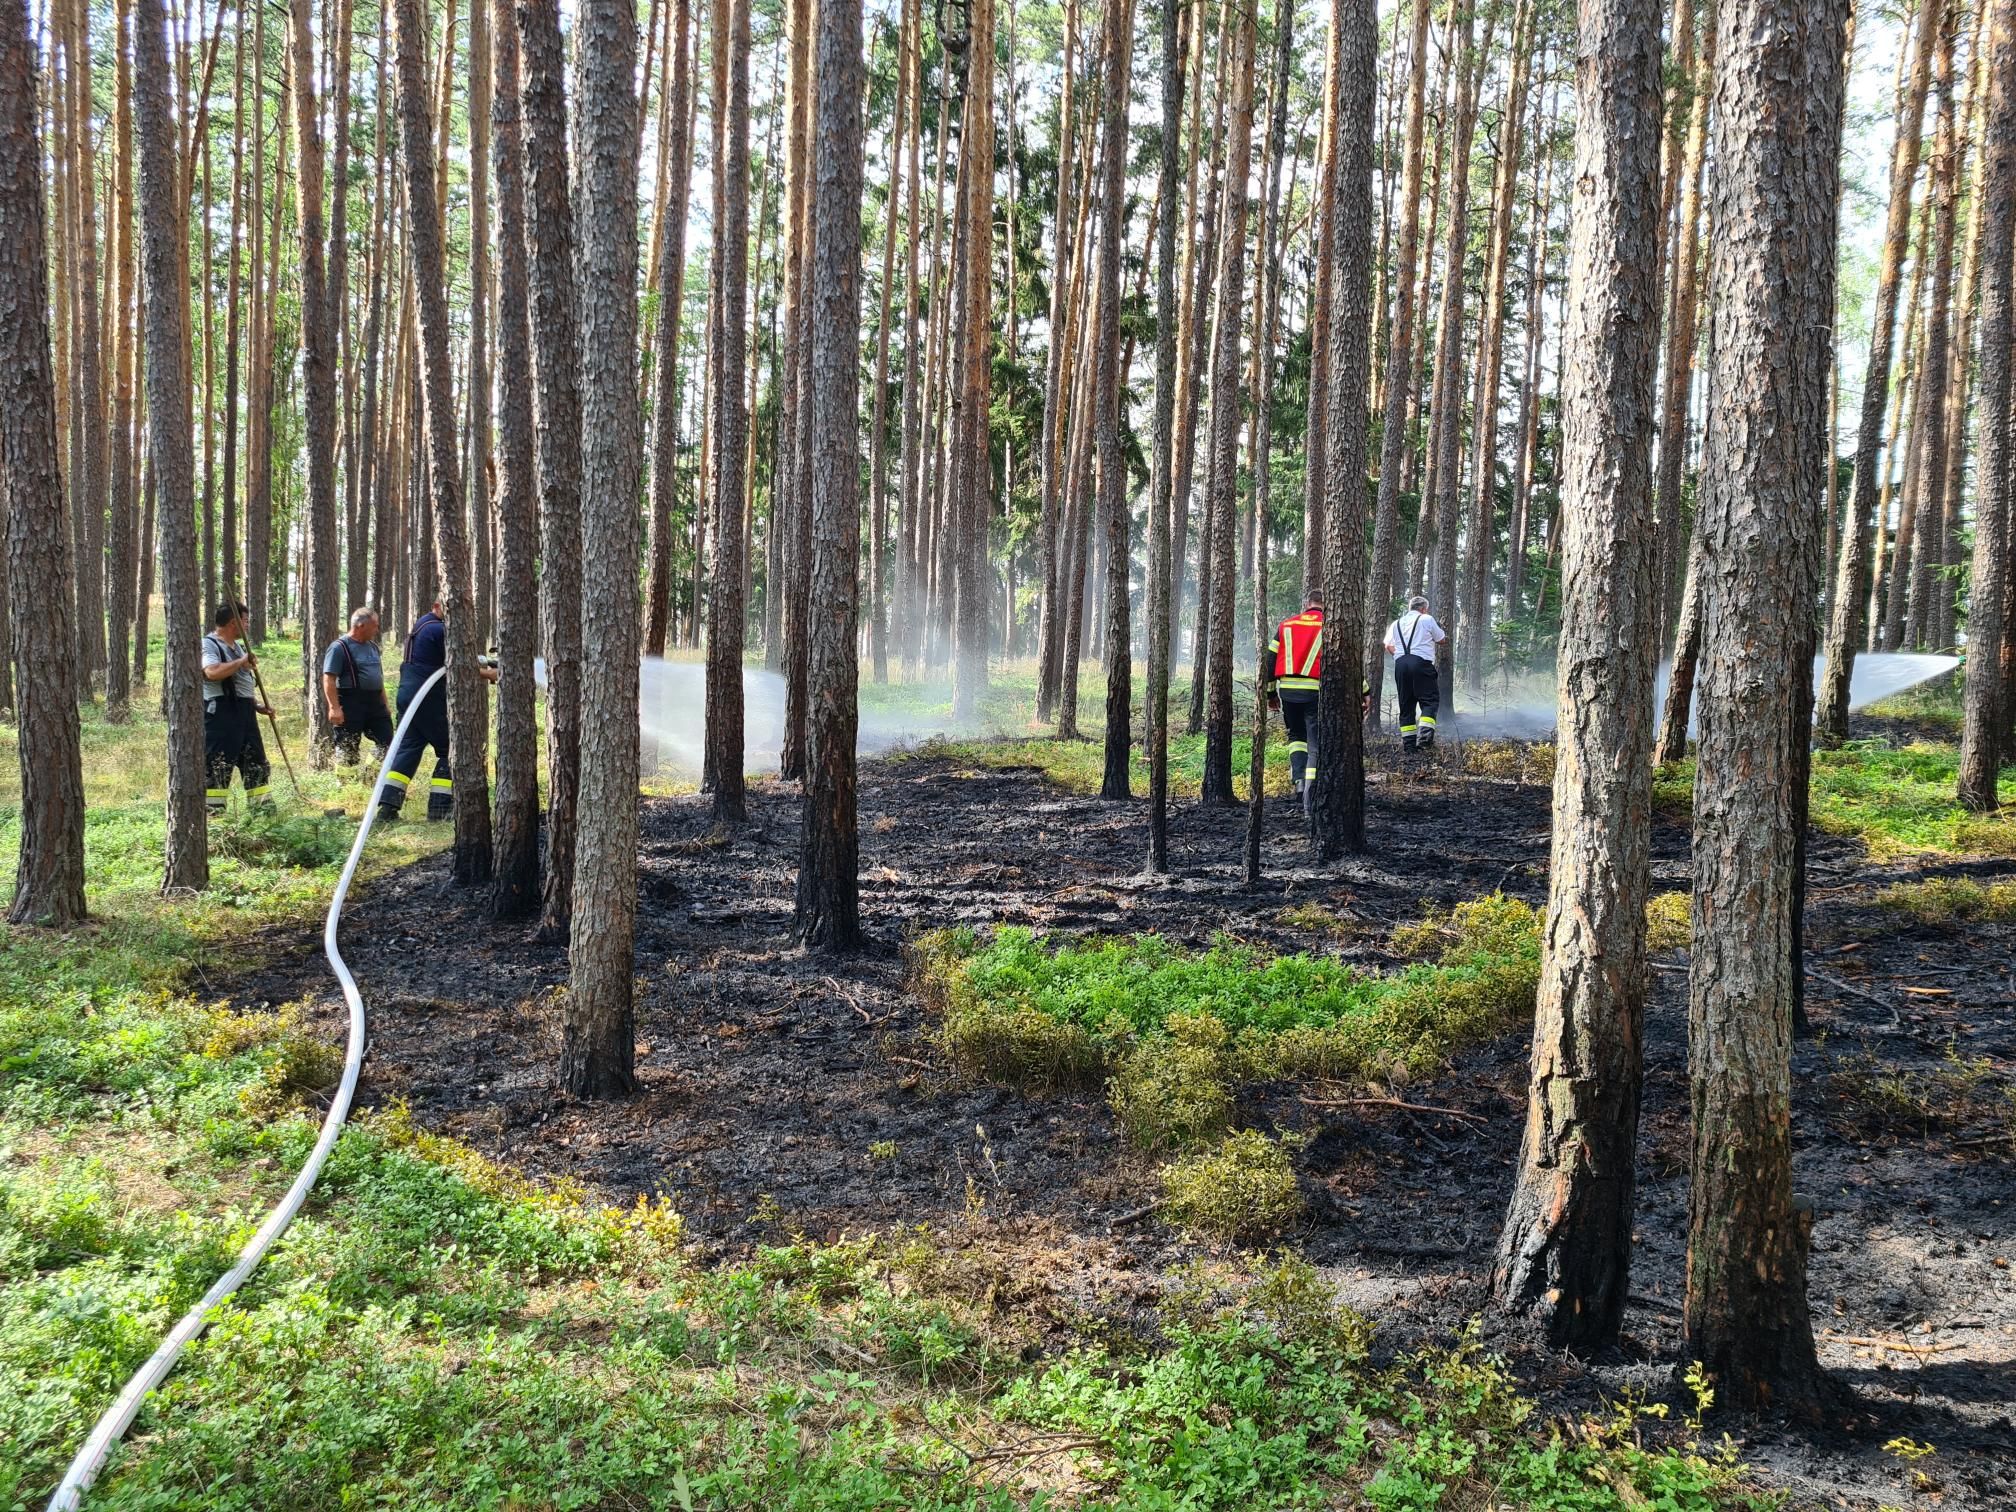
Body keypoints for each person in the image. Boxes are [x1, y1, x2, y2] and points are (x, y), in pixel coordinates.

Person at [378, 597, 497, 822]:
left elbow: (448, 660)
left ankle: (387, 808)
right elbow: (458, 664)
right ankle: (440, 810)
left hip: (409, 696)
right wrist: (489, 674)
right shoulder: (440, 630)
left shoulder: (423, 625)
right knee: (449, 748)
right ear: (436, 607)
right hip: (428, 697)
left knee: (409, 748)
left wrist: (486, 663)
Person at [202, 601, 275, 816]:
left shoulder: (238, 646)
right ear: (234, 623)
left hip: (244, 713)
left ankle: (262, 814)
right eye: (245, 621)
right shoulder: (210, 644)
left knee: (255, 762)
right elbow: (212, 672)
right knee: (219, 765)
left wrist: (256, 705)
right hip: (221, 715)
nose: (248, 625)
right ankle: (213, 817)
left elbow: (240, 683)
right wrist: (241, 662)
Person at [321, 607, 394, 767]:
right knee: (348, 745)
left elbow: (378, 678)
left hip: (375, 703)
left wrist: (385, 704)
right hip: (350, 703)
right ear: (361, 625)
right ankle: (346, 785)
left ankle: (370, 773)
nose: (377, 629)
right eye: (374, 625)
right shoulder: (339, 647)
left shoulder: (373, 647)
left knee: (387, 740)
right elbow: (329, 679)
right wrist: (334, 708)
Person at [1383, 595, 1447, 752]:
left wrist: (1400, 656)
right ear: (1424, 609)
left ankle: (1409, 746)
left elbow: (1387, 645)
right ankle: (1424, 740)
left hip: (1401, 664)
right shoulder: (1426, 619)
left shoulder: (1396, 623)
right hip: (1421, 664)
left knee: (1406, 705)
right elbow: (1441, 639)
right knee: (1429, 701)